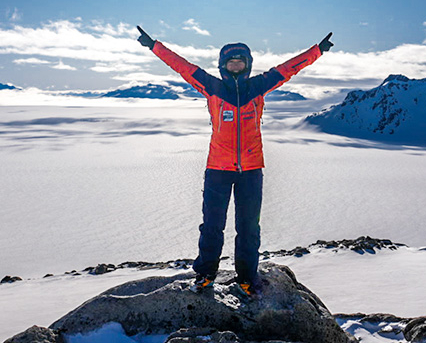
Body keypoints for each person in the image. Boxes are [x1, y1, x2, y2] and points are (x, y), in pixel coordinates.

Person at [136, 25, 334, 296]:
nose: (237, 66)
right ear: (223, 66)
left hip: (251, 170)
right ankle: (205, 275)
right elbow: (182, 66)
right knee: (212, 226)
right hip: (217, 168)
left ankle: (247, 278)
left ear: (248, 65)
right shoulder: (213, 87)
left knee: (249, 227)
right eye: (232, 62)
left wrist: (317, 51)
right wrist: (154, 46)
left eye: (241, 62)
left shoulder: (258, 87)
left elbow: (289, 69)